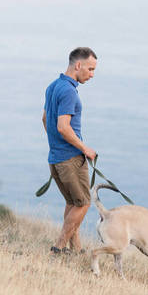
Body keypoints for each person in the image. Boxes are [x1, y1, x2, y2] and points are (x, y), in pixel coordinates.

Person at [42, 47, 98, 254]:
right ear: (78, 65)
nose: (92, 74)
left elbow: (45, 120)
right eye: (90, 69)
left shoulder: (53, 86)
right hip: (70, 159)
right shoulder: (68, 92)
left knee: (73, 202)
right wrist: (85, 149)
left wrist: (56, 145)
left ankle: (76, 249)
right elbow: (63, 127)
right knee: (83, 204)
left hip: (55, 158)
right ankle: (58, 248)